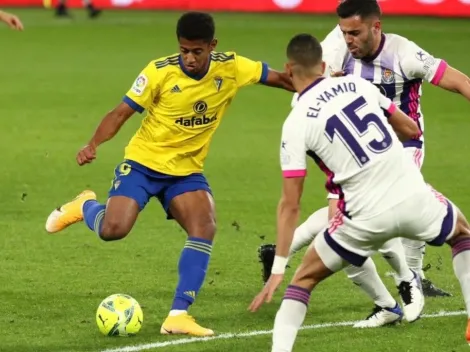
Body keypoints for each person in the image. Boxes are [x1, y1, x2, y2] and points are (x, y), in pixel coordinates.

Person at [45, 11, 294, 337]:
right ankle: (85, 207)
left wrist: (318, 85)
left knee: (204, 226)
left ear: (212, 46)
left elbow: (280, 79)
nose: (189, 58)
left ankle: (178, 315)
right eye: (184, 50)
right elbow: (121, 113)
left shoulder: (231, 67)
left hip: (186, 172)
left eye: (197, 51)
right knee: (113, 230)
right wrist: (92, 144)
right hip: (143, 164)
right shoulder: (158, 72)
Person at [249, 33, 470, 351]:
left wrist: (279, 268)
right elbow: (410, 129)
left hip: (361, 214)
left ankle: (400, 286)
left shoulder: (295, 123)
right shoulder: (361, 85)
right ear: (325, 65)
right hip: (409, 193)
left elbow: (290, 202)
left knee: (303, 280)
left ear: (290, 69)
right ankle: (419, 292)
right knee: (462, 233)